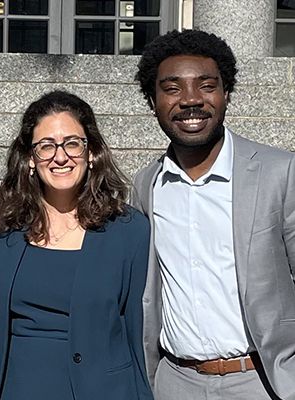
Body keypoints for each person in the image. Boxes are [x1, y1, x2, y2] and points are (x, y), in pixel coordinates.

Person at [132, 29, 295, 400]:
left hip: (263, 381)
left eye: (206, 86)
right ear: (152, 100)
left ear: (226, 94)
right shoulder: (146, 186)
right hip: (175, 382)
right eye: (172, 88)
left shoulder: (280, 173)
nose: (191, 100)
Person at [0, 91, 153, 400]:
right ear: (30, 159)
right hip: (18, 390)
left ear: (90, 153)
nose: (61, 157)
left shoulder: (129, 231)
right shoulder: (5, 227)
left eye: (72, 143)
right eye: (46, 146)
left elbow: (136, 332)